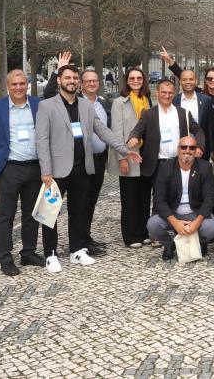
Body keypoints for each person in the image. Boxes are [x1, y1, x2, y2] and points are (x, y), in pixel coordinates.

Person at [36, 65, 141, 273]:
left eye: (75, 77)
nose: (72, 81)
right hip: (56, 169)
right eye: (68, 77)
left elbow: (103, 131)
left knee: (79, 210)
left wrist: (124, 150)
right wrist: (45, 171)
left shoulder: (85, 106)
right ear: (59, 80)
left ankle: (77, 250)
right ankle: (51, 254)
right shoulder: (47, 106)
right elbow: (42, 140)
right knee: (50, 213)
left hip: (82, 166)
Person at [0, 69, 45, 276]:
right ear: (8, 86)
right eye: (14, 84)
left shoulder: (37, 105)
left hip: (34, 167)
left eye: (22, 84)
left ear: (27, 85)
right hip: (9, 169)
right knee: (6, 215)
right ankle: (5, 257)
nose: (18, 88)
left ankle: (28, 252)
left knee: (31, 214)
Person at [147, 136, 214, 261]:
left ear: (196, 151)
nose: (187, 150)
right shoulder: (166, 168)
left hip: (195, 212)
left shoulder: (205, 167)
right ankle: (170, 245)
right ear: (178, 149)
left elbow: (209, 198)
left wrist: (197, 222)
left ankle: (199, 242)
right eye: (184, 147)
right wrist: (175, 222)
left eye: (192, 148)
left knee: (211, 228)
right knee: (152, 225)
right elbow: (159, 199)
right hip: (173, 213)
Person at [108, 66, 152, 248]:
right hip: (128, 154)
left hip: (145, 155)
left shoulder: (147, 100)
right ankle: (131, 235)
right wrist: (122, 158)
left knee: (144, 196)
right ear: (127, 81)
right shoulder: (119, 102)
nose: (135, 81)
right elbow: (117, 132)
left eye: (139, 78)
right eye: (132, 78)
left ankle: (144, 232)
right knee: (129, 198)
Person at [79, 69, 112, 255]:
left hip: (99, 160)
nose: (92, 84)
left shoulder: (104, 103)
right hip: (81, 161)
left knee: (92, 201)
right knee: (81, 202)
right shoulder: (75, 103)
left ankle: (86, 236)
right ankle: (81, 240)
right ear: (81, 84)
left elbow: (108, 129)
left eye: (95, 81)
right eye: (88, 81)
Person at [174, 69, 213, 160]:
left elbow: (210, 126)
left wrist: (212, 149)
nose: (188, 82)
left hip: (201, 150)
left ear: (196, 81)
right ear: (180, 81)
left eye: (191, 79)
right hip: (181, 150)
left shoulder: (206, 100)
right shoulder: (174, 101)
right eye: (184, 79)